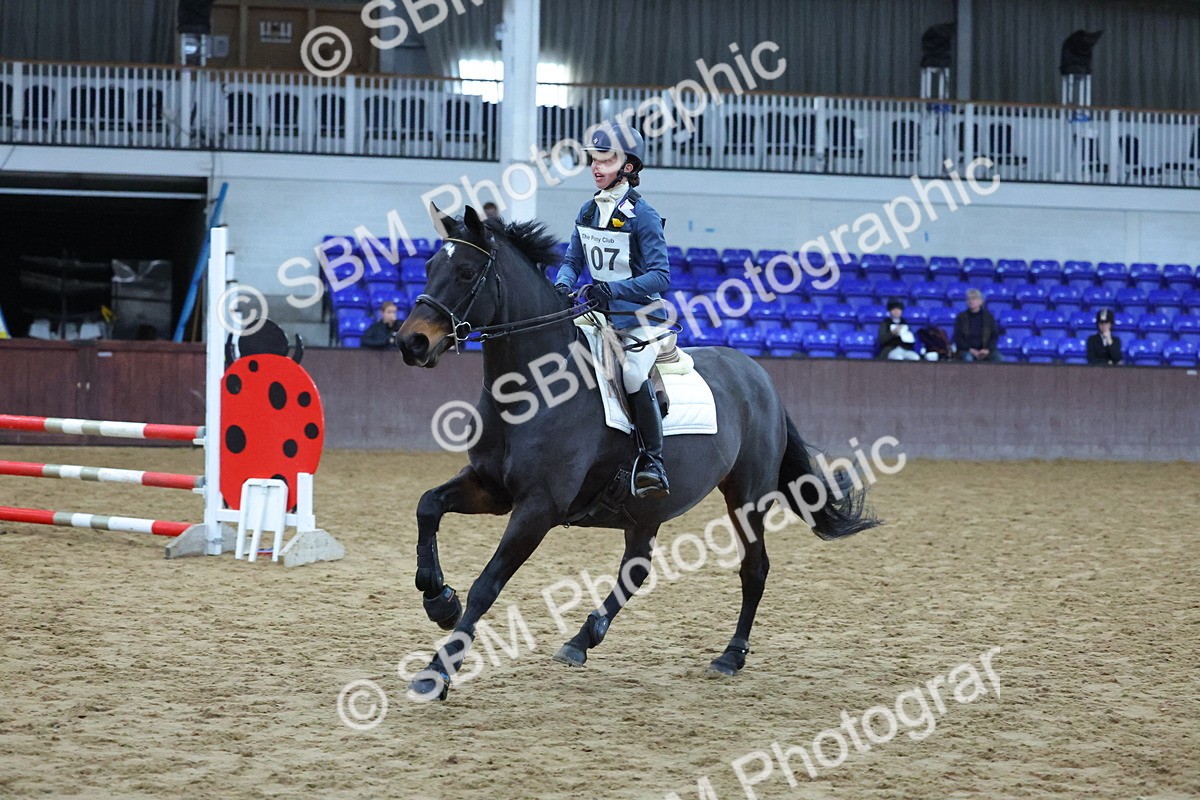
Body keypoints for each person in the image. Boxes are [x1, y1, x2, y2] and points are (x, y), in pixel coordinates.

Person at [554, 123, 672, 499]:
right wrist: (561, 285)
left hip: (638, 317)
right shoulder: (588, 210)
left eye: (607, 160)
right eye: (594, 159)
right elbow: (573, 260)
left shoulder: (644, 215)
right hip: (599, 315)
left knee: (634, 375)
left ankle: (653, 462)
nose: (597, 167)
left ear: (628, 167)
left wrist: (613, 290)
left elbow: (660, 276)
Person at [953, 288, 1001, 362]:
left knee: (999, 358)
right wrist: (971, 350)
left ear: (981, 301)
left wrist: (987, 350)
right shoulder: (961, 317)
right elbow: (958, 337)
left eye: (974, 299)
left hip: (985, 350)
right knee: (968, 358)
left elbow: (994, 336)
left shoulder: (988, 317)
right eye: (969, 299)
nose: (971, 301)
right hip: (967, 350)